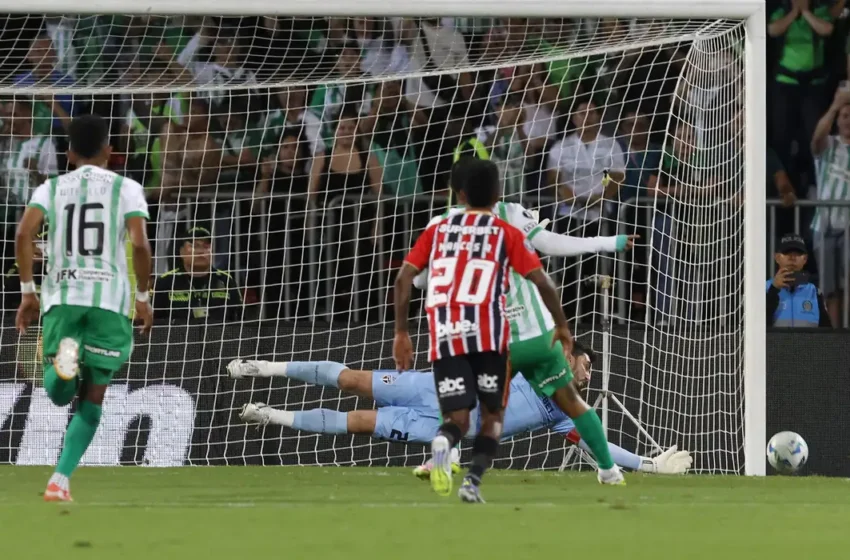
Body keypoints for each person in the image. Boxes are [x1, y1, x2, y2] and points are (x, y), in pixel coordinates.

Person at [393, 158, 576, 503]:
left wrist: (401, 333)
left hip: (447, 335)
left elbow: (405, 280)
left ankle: (445, 442)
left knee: (457, 418)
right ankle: (472, 482)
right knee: (492, 417)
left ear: (458, 193)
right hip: (489, 336)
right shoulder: (505, 232)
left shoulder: (438, 229)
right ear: (496, 195)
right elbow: (543, 281)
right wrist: (563, 327)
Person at [229, 345, 693, 475]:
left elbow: (598, 443)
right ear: (567, 356)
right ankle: (264, 367)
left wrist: (649, 463)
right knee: (353, 380)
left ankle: (272, 416)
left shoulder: (562, 410)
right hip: (436, 387)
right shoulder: (535, 362)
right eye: (586, 365)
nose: (588, 377)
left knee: (359, 423)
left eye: (590, 374)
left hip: (437, 425)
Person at [15, 114, 154, 502]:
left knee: (60, 393)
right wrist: (142, 297)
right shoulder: (127, 187)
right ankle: (59, 480)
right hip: (109, 301)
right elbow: (140, 245)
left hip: (62, 295)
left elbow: (24, 233)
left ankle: (64, 363)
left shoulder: (52, 188)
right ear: (110, 151)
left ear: (71, 153)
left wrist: (28, 291)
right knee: (93, 398)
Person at [810, 87, 850, 327]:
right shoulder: (829, 145)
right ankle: (836, 338)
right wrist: (836, 105)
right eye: (845, 116)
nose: (848, 121)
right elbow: (815, 140)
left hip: (849, 227)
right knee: (830, 288)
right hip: (824, 226)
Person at [151, 225, 242, 324]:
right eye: (195, 245)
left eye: (206, 246)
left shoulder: (226, 281)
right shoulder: (165, 283)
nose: (201, 251)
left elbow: (241, 321)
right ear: (181, 252)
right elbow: (153, 323)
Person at [767, 233, 831, 328]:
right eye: (787, 252)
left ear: (805, 259)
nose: (792, 257)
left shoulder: (815, 292)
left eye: (797, 253)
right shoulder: (764, 288)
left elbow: (827, 332)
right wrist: (774, 289)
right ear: (777, 257)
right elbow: (755, 326)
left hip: (808, 343)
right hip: (775, 343)